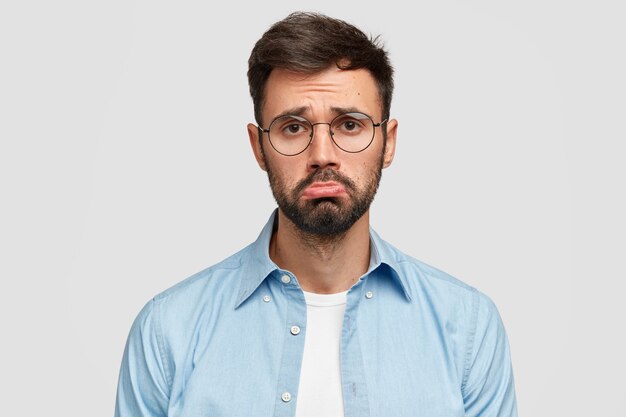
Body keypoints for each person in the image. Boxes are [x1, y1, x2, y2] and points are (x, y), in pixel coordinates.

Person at [115, 11, 517, 417]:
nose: (322, 155)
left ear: (388, 142)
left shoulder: (467, 326)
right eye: (293, 127)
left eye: (349, 125)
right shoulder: (168, 330)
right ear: (258, 148)